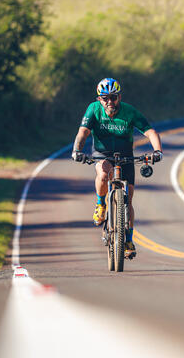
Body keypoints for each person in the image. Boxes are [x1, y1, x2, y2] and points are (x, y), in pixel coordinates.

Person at [71, 77, 163, 258]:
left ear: (119, 97)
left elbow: (150, 131)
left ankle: (128, 239)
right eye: (105, 98)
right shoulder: (94, 109)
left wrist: (157, 150)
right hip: (102, 153)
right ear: (99, 99)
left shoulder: (129, 112)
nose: (110, 102)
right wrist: (77, 150)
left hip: (126, 154)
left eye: (113, 97)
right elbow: (83, 132)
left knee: (128, 200)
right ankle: (100, 205)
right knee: (103, 174)